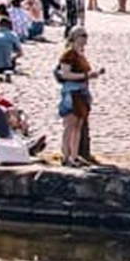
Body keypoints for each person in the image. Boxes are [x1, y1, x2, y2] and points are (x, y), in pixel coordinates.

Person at [56, 26, 103, 168]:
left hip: (82, 92)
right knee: (69, 125)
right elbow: (65, 74)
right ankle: (65, 156)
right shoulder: (68, 55)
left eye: (86, 35)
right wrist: (85, 75)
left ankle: (75, 156)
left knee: (78, 125)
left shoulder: (81, 54)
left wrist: (93, 74)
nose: (85, 38)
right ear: (74, 37)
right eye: (82, 35)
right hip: (72, 92)